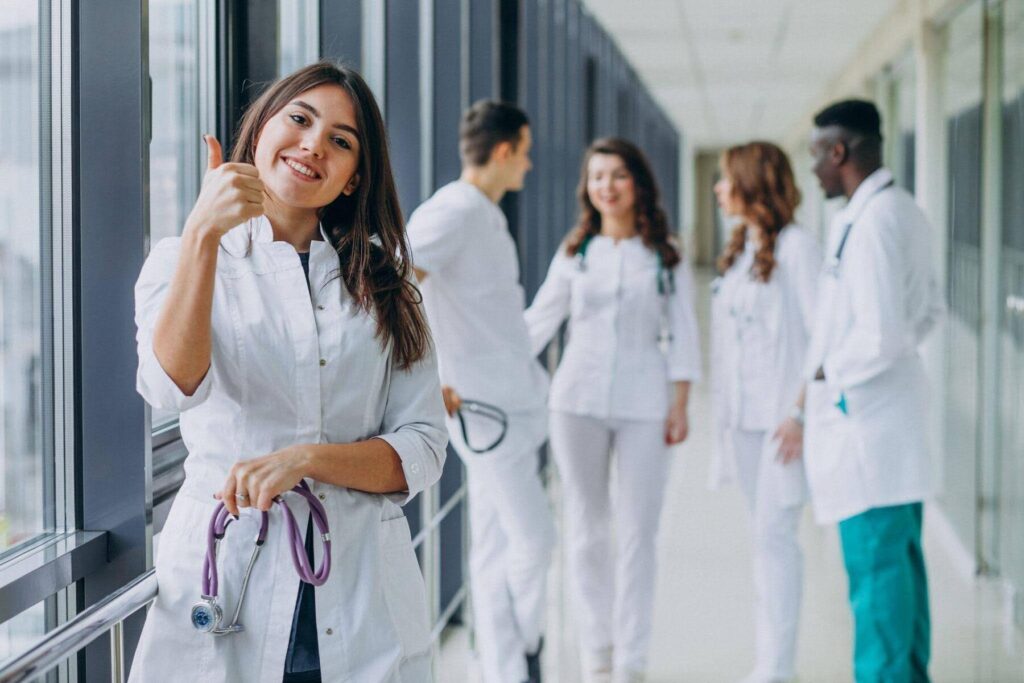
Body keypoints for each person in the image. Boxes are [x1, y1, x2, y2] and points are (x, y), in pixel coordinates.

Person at [129, 61, 448, 682]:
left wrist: (306, 460)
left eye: (341, 141)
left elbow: (424, 448)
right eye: (300, 120)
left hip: (357, 591)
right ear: (262, 129)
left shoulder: (385, 282)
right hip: (228, 578)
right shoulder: (183, 257)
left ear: (355, 178)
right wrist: (202, 234)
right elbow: (170, 387)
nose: (313, 146)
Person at [775, 99, 944, 682]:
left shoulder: (873, 224)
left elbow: (880, 333)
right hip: (888, 427)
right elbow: (927, 314)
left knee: (876, 588)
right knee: (899, 578)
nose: (814, 168)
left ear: (839, 151)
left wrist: (826, 376)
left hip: (869, 435)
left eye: (817, 154)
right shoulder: (898, 211)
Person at [524, 138, 701, 683]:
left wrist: (681, 403)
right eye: (597, 176)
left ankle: (632, 660)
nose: (607, 186)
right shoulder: (576, 250)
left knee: (637, 534)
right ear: (588, 187)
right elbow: (539, 321)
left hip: (646, 405)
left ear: (638, 184)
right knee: (586, 529)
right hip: (576, 401)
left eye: (618, 175)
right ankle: (597, 651)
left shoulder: (664, 253)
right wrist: (482, 368)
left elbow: (686, 335)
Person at [406, 100, 554, 683]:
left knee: (494, 549)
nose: (530, 164)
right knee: (536, 539)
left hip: (508, 404)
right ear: (504, 150)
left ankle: (503, 669)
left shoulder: (484, 214)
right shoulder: (455, 211)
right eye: (526, 151)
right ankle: (525, 650)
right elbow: (396, 283)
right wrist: (425, 376)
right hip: (482, 411)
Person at [710, 142, 821, 683]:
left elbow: (824, 339)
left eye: (726, 180)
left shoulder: (799, 248)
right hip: (745, 424)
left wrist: (800, 412)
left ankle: (776, 667)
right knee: (764, 540)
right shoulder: (745, 249)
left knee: (777, 541)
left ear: (752, 184)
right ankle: (771, 660)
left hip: (783, 424)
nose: (718, 190)